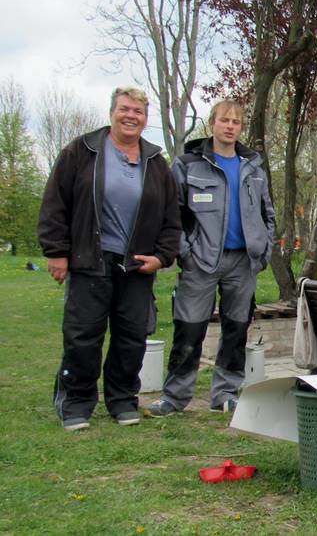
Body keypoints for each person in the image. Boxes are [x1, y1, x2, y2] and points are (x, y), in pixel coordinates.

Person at [38, 87, 181, 431]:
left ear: (146, 120)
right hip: (89, 259)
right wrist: (56, 251)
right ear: (112, 112)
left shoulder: (156, 162)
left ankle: (122, 400)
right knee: (83, 334)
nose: (131, 116)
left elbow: (171, 219)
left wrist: (162, 258)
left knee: (131, 337)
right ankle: (76, 402)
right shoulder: (82, 151)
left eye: (139, 112)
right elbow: (55, 202)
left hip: (136, 264)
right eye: (125, 109)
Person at [144, 100, 276, 417]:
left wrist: (264, 248)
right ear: (212, 124)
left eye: (236, 122)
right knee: (189, 329)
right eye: (224, 120)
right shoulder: (188, 164)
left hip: (243, 263)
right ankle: (174, 398)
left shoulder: (253, 167)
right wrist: (185, 251)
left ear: (240, 127)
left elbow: (267, 213)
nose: (230, 126)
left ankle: (226, 394)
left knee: (236, 330)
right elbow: (171, 214)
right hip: (200, 262)